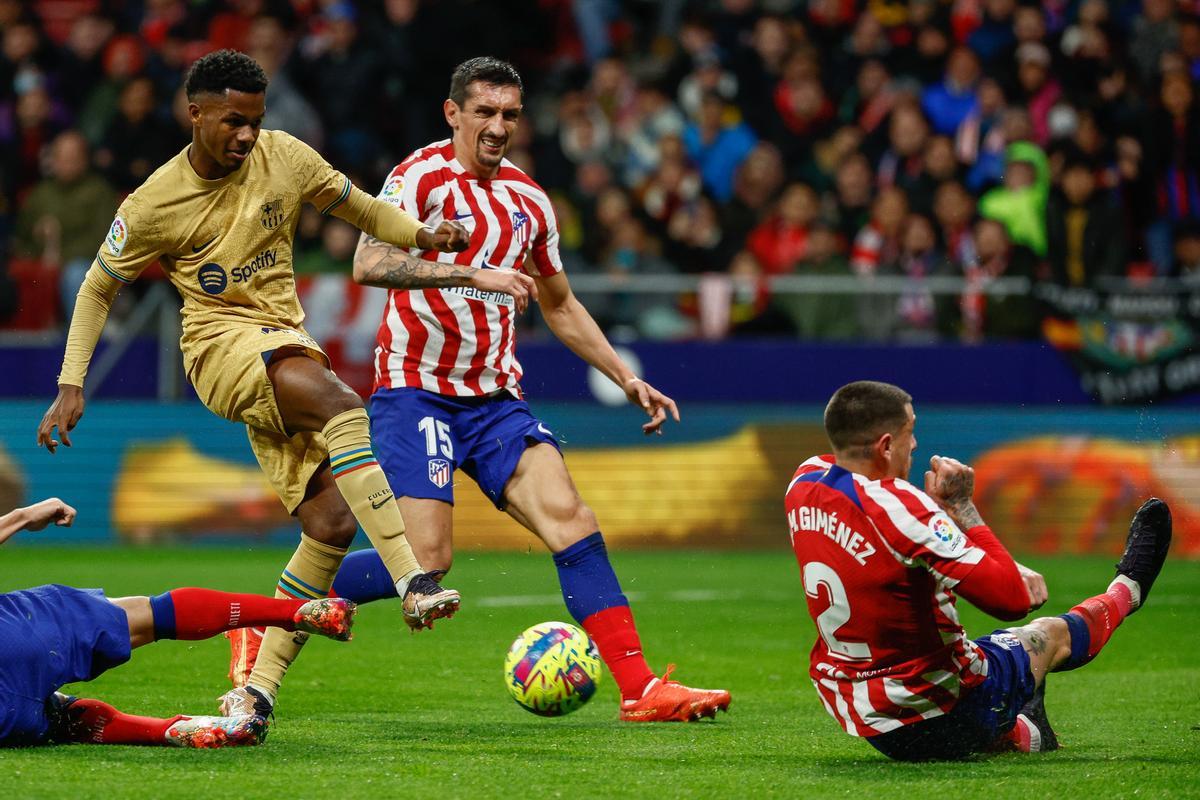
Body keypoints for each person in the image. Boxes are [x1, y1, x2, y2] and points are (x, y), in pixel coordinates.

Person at [32, 50, 530, 722]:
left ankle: (256, 689)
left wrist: (426, 235)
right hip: (218, 350)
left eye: (255, 121)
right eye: (233, 122)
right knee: (339, 401)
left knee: (329, 520)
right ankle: (412, 577)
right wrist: (71, 382)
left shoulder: (283, 155)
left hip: (284, 340)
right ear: (196, 113)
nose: (246, 135)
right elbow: (98, 285)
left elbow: (359, 210)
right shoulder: (154, 200)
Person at [229, 56, 731, 723]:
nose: (498, 127)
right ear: (454, 113)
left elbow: (560, 303)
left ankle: (640, 690)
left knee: (573, 523)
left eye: (510, 115)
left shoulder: (529, 201)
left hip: (495, 401)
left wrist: (625, 375)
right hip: (417, 394)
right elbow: (368, 262)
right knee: (428, 558)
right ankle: (269, 618)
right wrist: (470, 273)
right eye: (486, 113)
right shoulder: (418, 179)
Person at [785, 380, 1172, 760]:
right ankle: (1128, 590)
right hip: (947, 706)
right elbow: (1014, 599)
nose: (915, 444)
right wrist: (961, 508)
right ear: (886, 446)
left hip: (872, 721)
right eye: (910, 432)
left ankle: (1027, 731)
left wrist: (939, 523)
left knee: (993, 708)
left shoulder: (802, 483)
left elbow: (894, 541)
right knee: (1047, 634)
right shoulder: (901, 508)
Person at [0, 497, 355, 748]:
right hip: (16, 635)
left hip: (9, 719)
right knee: (149, 615)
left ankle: (169, 731)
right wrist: (21, 517)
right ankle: (291, 613)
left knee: (57, 717)